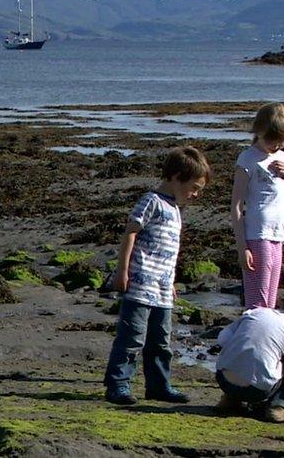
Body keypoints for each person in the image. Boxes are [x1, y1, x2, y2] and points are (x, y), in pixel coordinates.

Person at [104, 146, 211, 406]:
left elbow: (169, 252)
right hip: (140, 284)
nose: (196, 194)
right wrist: (122, 271)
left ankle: (159, 385)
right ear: (176, 176)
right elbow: (130, 233)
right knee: (132, 338)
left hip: (162, 289)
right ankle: (118, 384)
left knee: (161, 341)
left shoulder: (175, 209)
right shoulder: (151, 201)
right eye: (194, 187)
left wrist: (171, 281)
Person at [214, 282, 284, 422]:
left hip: (224, 380)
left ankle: (230, 400)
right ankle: (280, 406)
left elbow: (222, 338)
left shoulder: (256, 312)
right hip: (257, 390)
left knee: (247, 355)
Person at [232, 103, 284, 309]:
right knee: (258, 300)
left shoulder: (281, 158)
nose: (276, 145)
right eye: (271, 140)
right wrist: (242, 248)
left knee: (270, 300)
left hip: (278, 235)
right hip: (257, 234)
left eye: (281, 141)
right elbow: (235, 205)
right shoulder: (247, 159)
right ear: (259, 132)